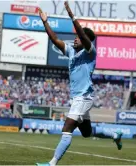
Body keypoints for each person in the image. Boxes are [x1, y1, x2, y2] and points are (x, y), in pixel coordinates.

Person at [36, 3, 122, 166]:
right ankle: (115, 135)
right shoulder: (70, 51)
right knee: (87, 132)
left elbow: (83, 36)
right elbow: (54, 39)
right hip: (79, 97)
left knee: (67, 127)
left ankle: (52, 163)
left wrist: (72, 16)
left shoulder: (90, 52)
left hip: (83, 97)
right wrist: (45, 22)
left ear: (86, 40)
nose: (75, 39)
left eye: (78, 37)